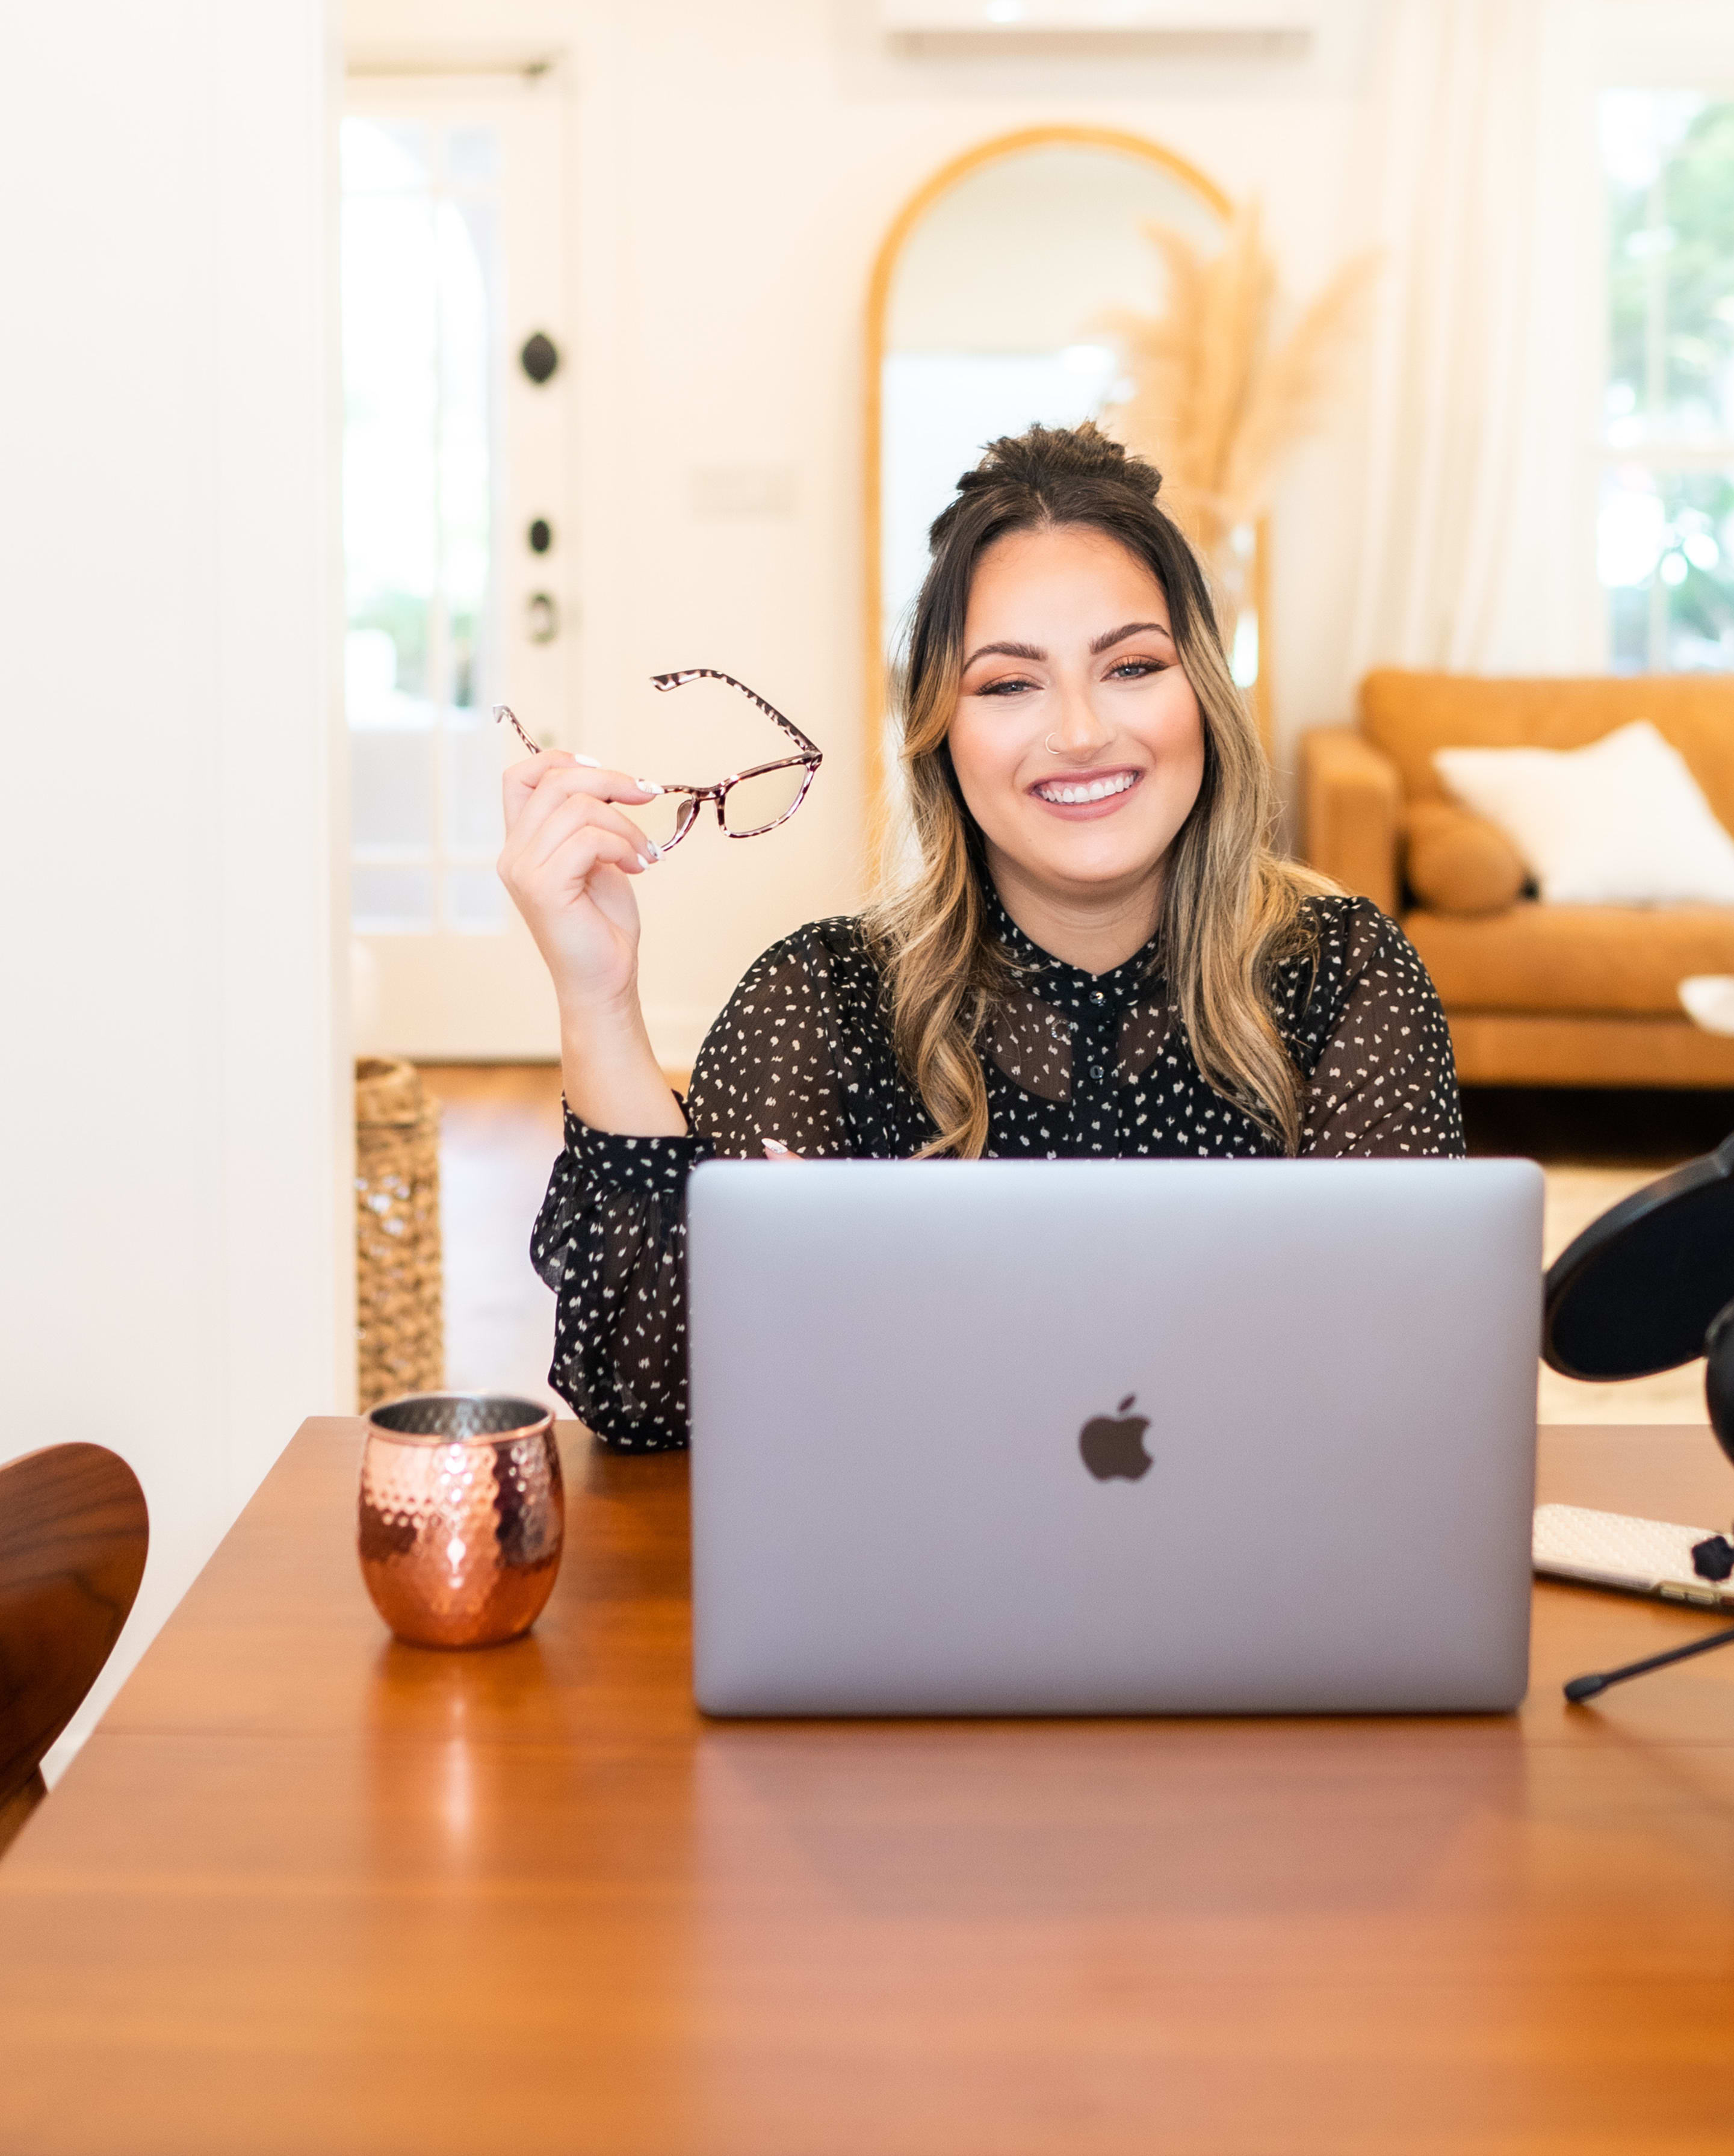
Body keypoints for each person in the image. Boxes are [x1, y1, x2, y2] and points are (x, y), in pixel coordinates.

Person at [504, 421, 1463, 1448]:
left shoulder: (1345, 971)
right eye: (1009, 683)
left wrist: (887, 1316)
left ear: (1206, 698)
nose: (1083, 732)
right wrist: (597, 1001)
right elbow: (654, 1405)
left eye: (1133, 666)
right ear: (939, 734)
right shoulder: (821, 1001)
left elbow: (1391, 1381)